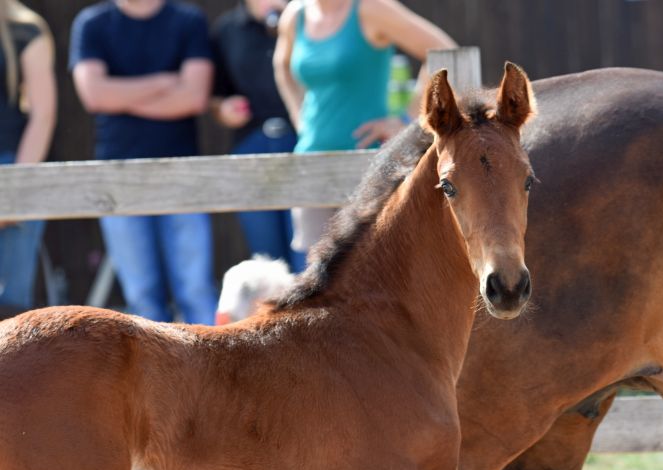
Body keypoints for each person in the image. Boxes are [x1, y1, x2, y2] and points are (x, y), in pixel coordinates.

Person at [69, 0, 218, 325]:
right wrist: (164, 83)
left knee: (195, 291)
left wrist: (120, 98)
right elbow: (94, 96)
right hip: (118, 176)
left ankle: (209, 374)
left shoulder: (187, 20)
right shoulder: (93, 23)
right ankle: (155, 377)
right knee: (141, 296)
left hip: (182, 172)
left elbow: (194, 97)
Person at [273, 0, 456, 254]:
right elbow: (282, 64)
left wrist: (407, 120)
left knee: (374, 266)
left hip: (369, 161)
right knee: (313, 274)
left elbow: (445, 51)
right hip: (310, 161)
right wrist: (298, 114)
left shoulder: (370, 8)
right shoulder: (296, 15)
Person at [211, 0, 304, 272]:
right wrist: (223, 110)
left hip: (303, 143)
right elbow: (217, 97)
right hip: (252, 144)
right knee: (267, 258)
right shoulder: (228, 29)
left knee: (307, 252)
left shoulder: (307, 20)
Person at [0, 0, 56, 315]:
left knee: (10, 307)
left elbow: (43, 114)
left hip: (12, 166)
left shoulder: (25, 29)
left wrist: (16, 193)